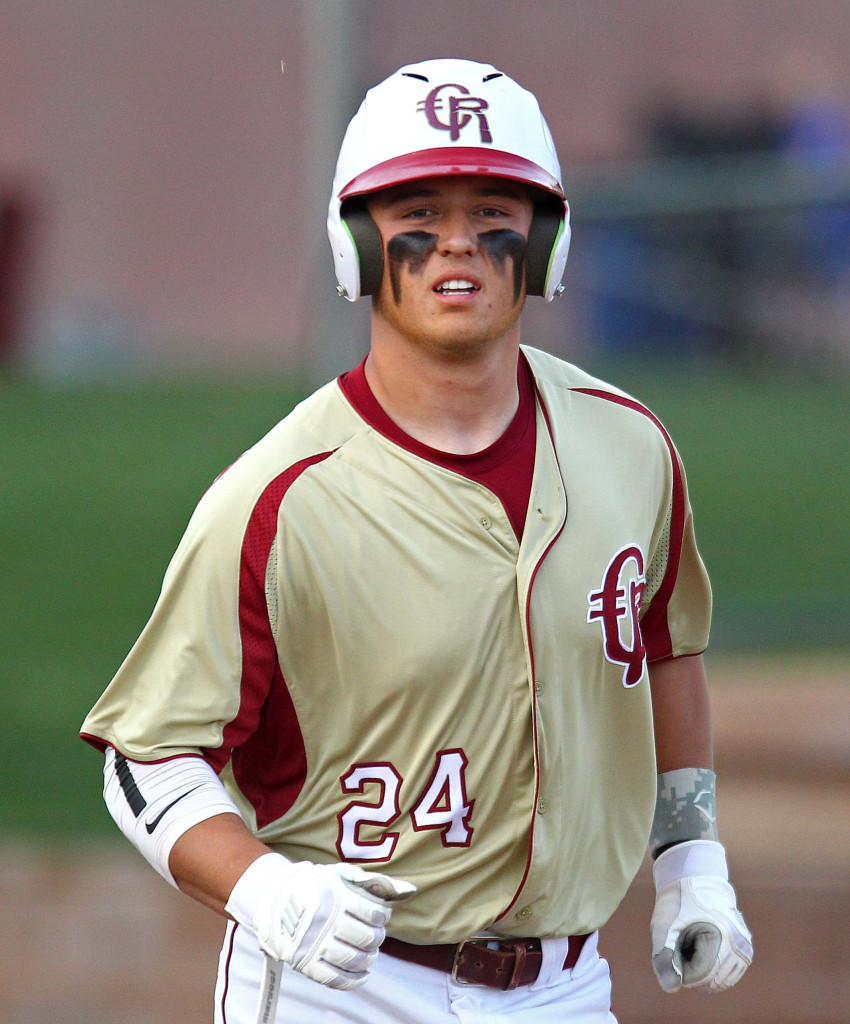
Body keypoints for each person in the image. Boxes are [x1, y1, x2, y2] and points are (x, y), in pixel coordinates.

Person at [80, 58, 752, 1024]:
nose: (458, 247)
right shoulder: (280, 497)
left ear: (549, 244)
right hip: (343, 990)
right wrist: (263, 890)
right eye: (418, 218)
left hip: (568, 988)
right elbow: (142, 757)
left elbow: (661, 648)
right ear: (357, 248)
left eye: (494, 216)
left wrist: (691, 859)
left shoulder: (631, 446)